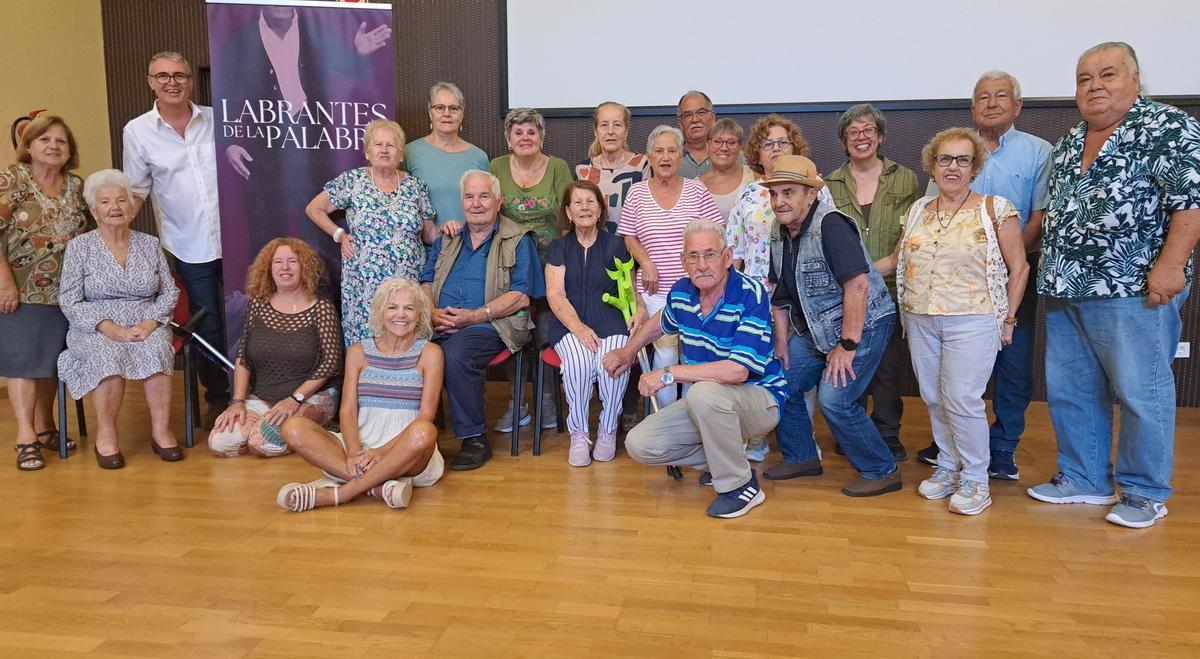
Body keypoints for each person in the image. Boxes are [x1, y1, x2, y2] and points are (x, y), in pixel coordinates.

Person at [1027, 42, 1200, 529]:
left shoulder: (1167, 127)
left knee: (1143, 391)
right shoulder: (1070, 141)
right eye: (1084, 79)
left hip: (1131, 288)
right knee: (1071, 390)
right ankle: (1084, 478)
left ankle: (1145, 491)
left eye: (1107, 74)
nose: (1094, 86)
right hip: (1065, 286)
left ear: (1136, 80)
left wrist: (1171, 266)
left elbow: (1191, 202)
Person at [876, 129, 1029, 515]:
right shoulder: (917, 211)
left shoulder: (995, 209)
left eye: (962, 160)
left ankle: (976, 478)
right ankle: (947, 466)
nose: (953, 167)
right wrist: (852, 272)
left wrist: (1009, 318)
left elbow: (1020, 268)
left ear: (975, 166)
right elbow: (896, 261)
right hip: (920, 317)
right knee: (933, 396)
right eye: (945, 159)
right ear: (933, 165)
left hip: (973, 319)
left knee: (962, 399)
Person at [915, 72, 1052, 478]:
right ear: (973, 107)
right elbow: (930, 213)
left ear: (1017, 106)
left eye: (1001, 97)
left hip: (1012, 277)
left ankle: (1004, 445)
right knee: (949, 377)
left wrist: (1006, 262)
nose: (992, 103)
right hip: (953, 290)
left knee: (1012, 363)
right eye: (983, 98)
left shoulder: (1038, 151)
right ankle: (954, 446)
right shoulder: (951, 151)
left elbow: (1040, 214)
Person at [602, 220, 787, 519]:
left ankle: (739, 487)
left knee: (702, 393)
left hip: (760, 400)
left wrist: (668, 374)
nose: (702, 264)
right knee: (640, 444)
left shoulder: (749, 293)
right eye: (693, 256)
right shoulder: (682, 292)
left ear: (727, 257)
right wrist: (627, 351)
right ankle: (728, 462)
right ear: (683, 261)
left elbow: (738, 371)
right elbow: (660, 322)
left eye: (710, 254)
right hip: (709, 402)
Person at [760, 156, 900, 497]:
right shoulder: (778, 232)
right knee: (782, 380)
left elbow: (858, 286)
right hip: (816, 327)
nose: (780, 201)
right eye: (775, 194)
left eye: (789, 192)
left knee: (835, 400)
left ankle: (881, 469)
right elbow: (779, 293)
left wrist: (847, 346)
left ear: (810, 195)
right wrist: (781, 344)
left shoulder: (831, 225)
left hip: (864, 324)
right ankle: (802, 457)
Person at [123, 51, 229, 428]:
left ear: (191, 81)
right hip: (188, 245)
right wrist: (114, 234)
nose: (172, 82)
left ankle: (252, 394)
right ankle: (218, 399)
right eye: (163, 76)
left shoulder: (217, 119)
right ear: (151, 81)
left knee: (244, 315)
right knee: (208, 324)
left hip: (235, 239)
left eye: (180, 75)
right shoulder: (137, 131)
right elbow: (135, 191)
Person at [276, 278, 443, 512]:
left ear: (420, 315)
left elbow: (426, 416)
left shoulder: (430, 353)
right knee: (292, 427)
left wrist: (379, 453)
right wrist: (354, 451)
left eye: (409, 308)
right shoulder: (358, 351)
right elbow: (348, 410)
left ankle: (342, 493)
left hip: (407, 451)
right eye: (392, 307)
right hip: (360, 447)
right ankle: (377, 486)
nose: (401, 315)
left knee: (425, 432)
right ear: (380, 312)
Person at [57, 170, 182, 469]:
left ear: (131, 206)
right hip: (95, 326)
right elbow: (69, 299)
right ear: (93, 210)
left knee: (157, 348)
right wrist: (109, 328)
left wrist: (150, 323)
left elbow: (169, 291)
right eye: (105, 202)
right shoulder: (79, 247)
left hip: (145, 321)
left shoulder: (150, 244)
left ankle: (161, 432)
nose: (114, 207)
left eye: (121, 200)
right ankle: (107, 435)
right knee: (107, 354)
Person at [420, 170, 544, 470]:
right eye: (469, 196)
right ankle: (415, 437)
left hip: (495, 324)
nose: (476, 203)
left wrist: (475, 316)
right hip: (441, 322)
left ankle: (475, 439)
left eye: (484, 196)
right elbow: (424, 282)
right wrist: (431, 312)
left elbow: (521, 296)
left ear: (499, 201)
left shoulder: (518, 239)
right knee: (406, 348)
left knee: (454, 354)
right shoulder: (448, 238)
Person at [824, 104, 919, 463]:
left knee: (887, 369)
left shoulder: (905, 179)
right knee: (849, 363)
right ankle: (853, 430)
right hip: (844, 293)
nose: (861, 138)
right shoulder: (829, 184)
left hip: (890, 289)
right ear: (843, 142)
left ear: (880, 137)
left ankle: (887, 433)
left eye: (868, 131)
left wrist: (880, 269)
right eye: (853, 133)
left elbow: (910, 230)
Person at [727, 115, 823, 462]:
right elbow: (735, 251)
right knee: (755, 367)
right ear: (758, 153)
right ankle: (756, 438)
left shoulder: (815, 191)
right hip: (756, 298)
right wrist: (730, 299)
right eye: (769, 143)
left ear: (795, 149)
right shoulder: (749, 195)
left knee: (796, 368)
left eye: (783, 142)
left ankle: (801, 437)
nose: (777, 149)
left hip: (800, 298)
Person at [1, 115, 92, 471]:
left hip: (64, 293)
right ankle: (25, 437)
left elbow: (87, 237)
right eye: (45, 140)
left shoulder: (76, 186)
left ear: (70, 151)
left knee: (50, 363)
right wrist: (4, 280)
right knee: (23, 363)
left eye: (61, 141)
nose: (53, 146)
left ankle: (45, 428)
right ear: (30, 146)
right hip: (19, 290)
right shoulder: (13, 179)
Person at [306, 119, 440, 347]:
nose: (385, 150)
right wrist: (339, 234)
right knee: (366, 346)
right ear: (367, 151)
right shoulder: (353, 180)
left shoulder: (416, 187)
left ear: (400, 153)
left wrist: (452, 231)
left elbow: (428, 235)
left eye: (391, 145)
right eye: (378, 144)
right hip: (364, 284)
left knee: (409, 344)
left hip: (407, 282)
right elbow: (314, 208)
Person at [618, 125, 724, 408]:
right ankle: (666, 420)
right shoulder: (637, 193)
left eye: (672, 151)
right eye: (659, 151)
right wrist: (646, 262)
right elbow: (629, 235)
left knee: (693, 356)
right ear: (649, 158)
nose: (665, 157)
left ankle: (694, 418)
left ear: (681, 157)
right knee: (665, 356)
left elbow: (717, 234)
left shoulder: (697, 191)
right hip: (654, 293)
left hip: (695, 293)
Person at [208, 238, 342, 458]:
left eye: (292, 261)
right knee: (220, 443)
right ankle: (263, 427)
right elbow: (243, 356)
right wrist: (237, 403)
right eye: (278, 262)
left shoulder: (321, 308)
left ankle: (317, 428)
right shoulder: (258, 305)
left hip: (309, 396)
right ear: (269, 269)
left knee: (262, 444)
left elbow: (331, 364)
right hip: (265, 395)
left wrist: (294, 399)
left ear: (305, 268)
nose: (285, 267)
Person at [545, 181, 642, 467]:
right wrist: (578, 327)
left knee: (611, 364)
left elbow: (630, 290)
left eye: (590, 201)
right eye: (578, 202)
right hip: (568, 326)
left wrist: (638, 311)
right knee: (578, 364)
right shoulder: (558, 248)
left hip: (612, 323)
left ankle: (608, 429)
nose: (584, 207)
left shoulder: (616, 245)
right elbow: (555, 294)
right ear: (569, 211)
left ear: (600, 209)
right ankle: (579, 432)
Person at [488, 107, 572, 432]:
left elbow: (567, 219)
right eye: (518, 132)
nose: (525, 137)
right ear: (508, 138)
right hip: (508, 268)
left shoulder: (558, 168)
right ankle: (519, 402)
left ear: (541, 137)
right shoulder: (495, 167)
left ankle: (548, 400)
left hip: (551, 267)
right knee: (512, 333)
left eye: (531, 132)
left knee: (546, 335)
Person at [404, 82, 489, 229]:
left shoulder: (478, 157)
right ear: (430, 112)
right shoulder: (409, 153)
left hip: (469, 246)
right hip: (425, 247)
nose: (447, 114)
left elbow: (488, 206)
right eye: (440, 108)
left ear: (462, 114)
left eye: (454, 108)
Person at [574, 101, 649, 235]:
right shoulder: (583, 170)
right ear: (596, 132)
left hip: (633, 249)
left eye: (617, 125)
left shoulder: (643, 165)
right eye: (604, 125)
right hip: (594, 250)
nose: (610, 131)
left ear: (626, 131)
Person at [698, 119, 755, 220]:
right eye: (717, 142)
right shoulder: (694, 186)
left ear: (739, 147)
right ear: (707, 146)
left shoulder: (754, 177)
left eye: (731, 142)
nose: (724, 148)